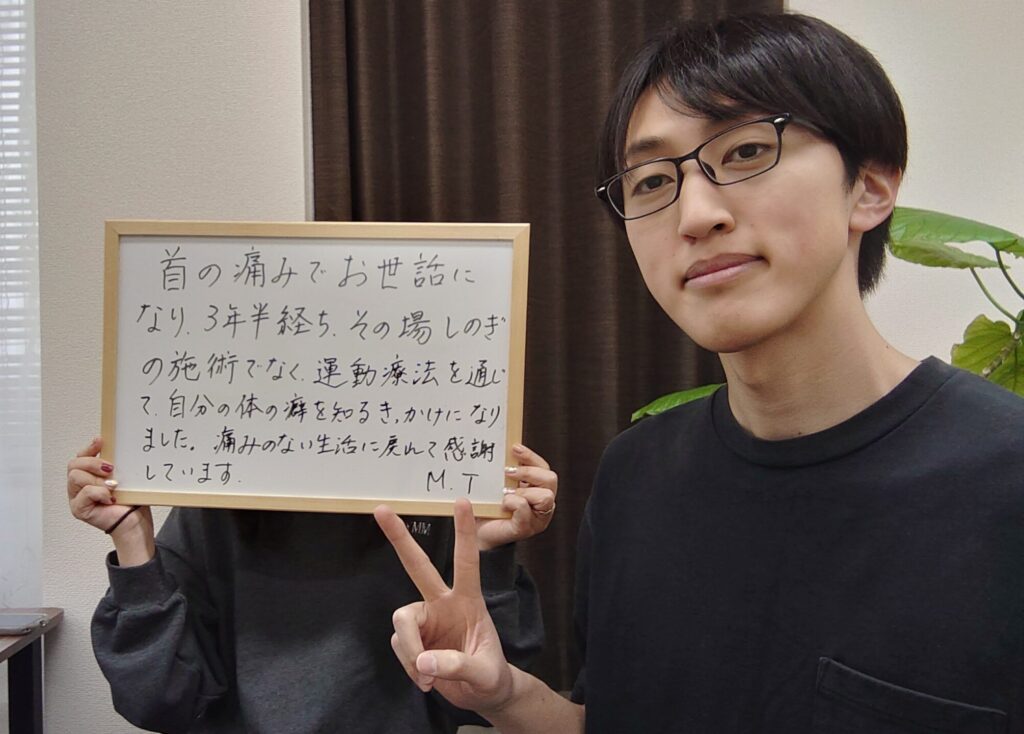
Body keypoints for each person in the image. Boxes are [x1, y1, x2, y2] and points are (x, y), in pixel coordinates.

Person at [373, 12, 1024, 733]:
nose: (695, 214)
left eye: (746, 150)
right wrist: (502, 695)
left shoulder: (1004, 480)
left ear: (869, 186)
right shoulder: (635, 475)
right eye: (652, 181)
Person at [66, 436, 557, 733]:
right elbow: (158, 700)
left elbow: (491, 696)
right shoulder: (215, 501)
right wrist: (132, 539)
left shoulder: (436, 489)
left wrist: (489, 552)